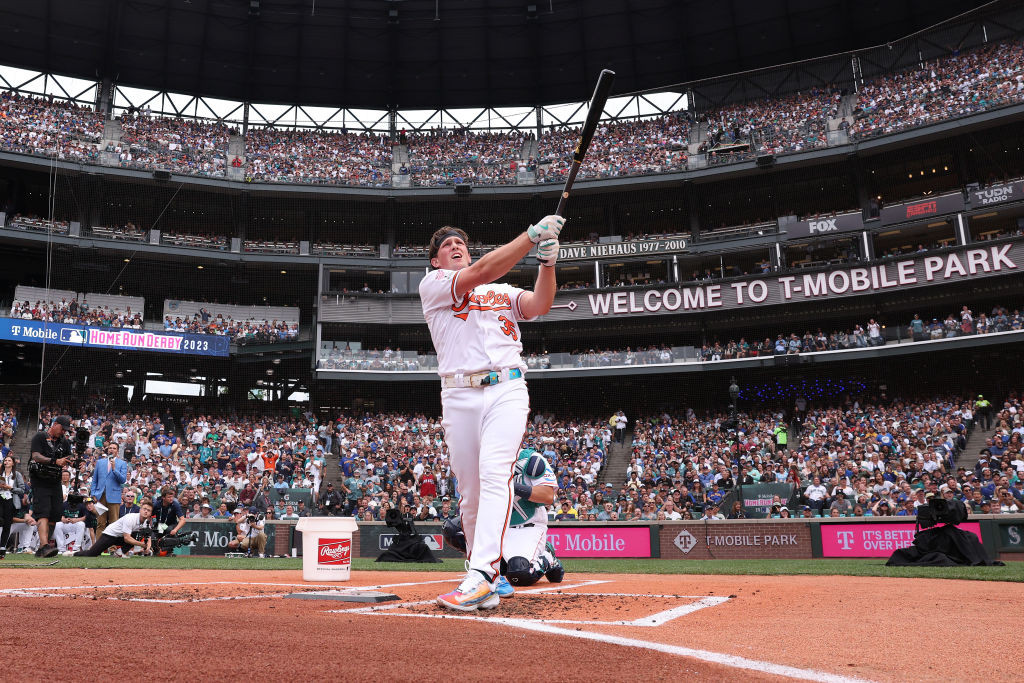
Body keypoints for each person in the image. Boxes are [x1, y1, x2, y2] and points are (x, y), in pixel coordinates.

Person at [419, 214, 564, 611]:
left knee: (496, 472)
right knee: (471, 494)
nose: (454, 247)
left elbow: (538, 305)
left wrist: (547, 266)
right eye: (445, 246)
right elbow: (484, 269)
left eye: (460, 243)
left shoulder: (499, 289)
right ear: (435, 262)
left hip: (508, 387)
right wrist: (531, 236)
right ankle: (483, 573)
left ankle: (482, 574)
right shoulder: (434, 286)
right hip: (459, 393)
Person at [28, 415, 74, 558]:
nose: (63, 432)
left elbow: (69, 456)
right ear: (55, 424)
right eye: (62, 429)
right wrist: (55, 461)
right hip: (40, 480)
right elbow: (35, 456)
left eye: (66, 430)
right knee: (43, 512)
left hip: (55, 481)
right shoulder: (40, 437)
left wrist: (71, 460)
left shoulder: (64, 442)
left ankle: (44, 547)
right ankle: (44, 546)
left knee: (55, 513)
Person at [75, 498, 154, 557]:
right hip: (109, 535)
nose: (146, 511)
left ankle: (120, 553)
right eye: (144, 509)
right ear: (140, 510)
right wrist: (141, 544)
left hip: (120, 537)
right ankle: (73, 553)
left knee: (139, 533)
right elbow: (127, 538)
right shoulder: (131, 518)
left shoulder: (146, 523)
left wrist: (147, 547)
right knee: (92, 554)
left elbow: (148, 537)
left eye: (148, 510)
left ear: (150, 513)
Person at [90, 444, 128, 536]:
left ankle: (112, 548)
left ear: (117, 451)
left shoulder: (122, 463)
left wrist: (114, 469)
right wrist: (93, 494)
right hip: (100, 496)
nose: (111, 450)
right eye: (110, 448)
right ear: (107, 450)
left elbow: (123, 480)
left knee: (113, 524)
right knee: (100, 524)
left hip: (114, 497)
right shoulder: (100, 462)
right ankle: (98, 549)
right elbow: (95, 480)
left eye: (114, 448)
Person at [1, 454, 27, 558]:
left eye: (9, 460)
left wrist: (10, 488)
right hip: (0, 498)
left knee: (7, 524)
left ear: (13, 463)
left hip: (10, 500)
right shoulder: (0, 473)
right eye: (5, 460)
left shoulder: (17, 474)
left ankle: (2, 548)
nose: (6, 462)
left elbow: (22, 489)